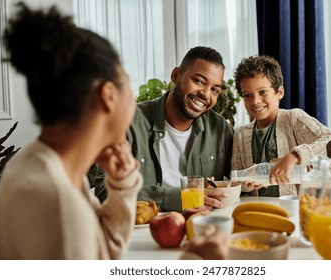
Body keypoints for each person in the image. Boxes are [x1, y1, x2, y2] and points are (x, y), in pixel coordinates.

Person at [0, 2, 228, 260]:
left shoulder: (47, 169)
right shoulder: (57, 203)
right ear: (108, 96)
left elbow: (104, 252)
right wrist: (194, 262)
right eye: (127, 84)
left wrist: (123, 187)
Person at [90, 46, 234, 212]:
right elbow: (105, 191)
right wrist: (180, 198)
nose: (205, 94)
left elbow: (241, 179)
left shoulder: (221, 129)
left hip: (203, 227)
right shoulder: (129, 122)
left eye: (214, 90)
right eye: (199, 81)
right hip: (142, 231)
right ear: (175, 75)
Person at [231, 55, 331, 196]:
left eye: (262, 92)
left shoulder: (293, 119)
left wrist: (294, 157)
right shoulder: (240, 135)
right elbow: (237, 182)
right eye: (247, 95)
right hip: (261, 210)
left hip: (297, 210)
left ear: (279, 92)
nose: (255, 101)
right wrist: (247, 184)